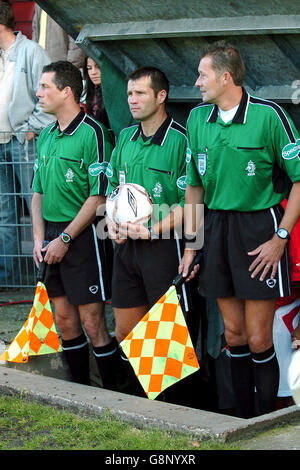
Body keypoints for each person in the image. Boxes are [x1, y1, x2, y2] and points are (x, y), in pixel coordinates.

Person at [180, 41, 300, 418]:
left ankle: (266, 423)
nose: (197, 82)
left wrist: (280, 238)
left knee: (260, 336)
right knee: (234, 335)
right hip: (215, 228)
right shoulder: (198, 119)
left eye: (203, 74)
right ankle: (243, 420)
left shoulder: (270, 116)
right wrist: (191, 245)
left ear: (225, 76)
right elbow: (194, 187)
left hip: (258, 229)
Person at [32, 60, 116, 390]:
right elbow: (37, 191)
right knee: (65, 320)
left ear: (67, 92)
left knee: (92, 321)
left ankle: (113, 398)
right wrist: (40, 238)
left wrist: (65, 237)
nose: (38, 94)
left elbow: (98, 198)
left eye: (44, 87)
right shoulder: (46, 135)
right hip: (51, 236)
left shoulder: (93, 132)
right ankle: (80, 393)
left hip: (82, 238)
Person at [106, 66, 191, 395]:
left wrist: (152, 230)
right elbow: (112, 188)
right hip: (126, 246)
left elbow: (191, 205)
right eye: (129, 93)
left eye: (140, 93)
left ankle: (174, 412)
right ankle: (142, 403)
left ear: (161, 96)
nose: (132, 100)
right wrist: (111, 222)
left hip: (164, 247)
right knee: (126, 331)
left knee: (164, 334)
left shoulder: (181, 140)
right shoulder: (125, 137)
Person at [0, 0, 53, 286]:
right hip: (1, 142)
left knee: (36, 205)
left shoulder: (32, 52)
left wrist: (32, 128)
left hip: (24, 142)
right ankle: (7, 279)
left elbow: (49, 92)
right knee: (3, 213)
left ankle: (44, 273)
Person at [32, 4, 85, 69]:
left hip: (62, 69)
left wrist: (69, 68)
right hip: (41, 66)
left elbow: (78, 38)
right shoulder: (39, 4)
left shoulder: (68, 3)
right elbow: (35, 31)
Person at [83, 56, 110, 130]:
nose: (93, 72)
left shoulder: (114, 92)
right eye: (89, 68)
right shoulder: (90, 90)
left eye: (98, 67)